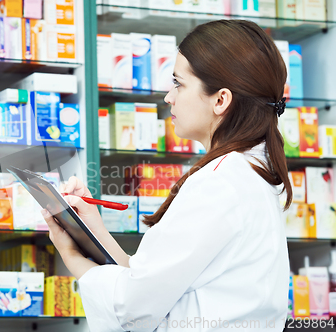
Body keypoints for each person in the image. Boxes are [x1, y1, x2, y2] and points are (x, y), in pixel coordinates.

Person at [41, 19, 292, 332]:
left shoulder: (218, 182)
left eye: (179, 83)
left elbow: (132, 308)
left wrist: (70, 255)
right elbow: (152, 281)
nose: (168, 97)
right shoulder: (249, 172)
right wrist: (94, 228)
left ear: (220, 100)